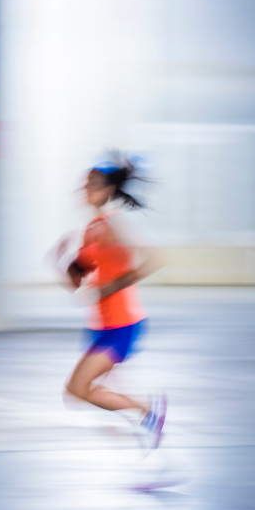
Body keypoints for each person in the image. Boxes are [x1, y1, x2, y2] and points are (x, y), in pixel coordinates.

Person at [61, 153, 173, 485]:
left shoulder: (113, 224)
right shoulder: (92, 230)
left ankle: (148, 415)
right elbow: (76, 282)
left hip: (122, 324)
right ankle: (151, 454)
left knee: (78, 389)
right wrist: (64, 264)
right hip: (100, 325)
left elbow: (155, 258)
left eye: (93, 183)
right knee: (87, 393)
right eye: (84, 182)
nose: (85, 188)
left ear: (108, 189)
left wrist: (113, 285)